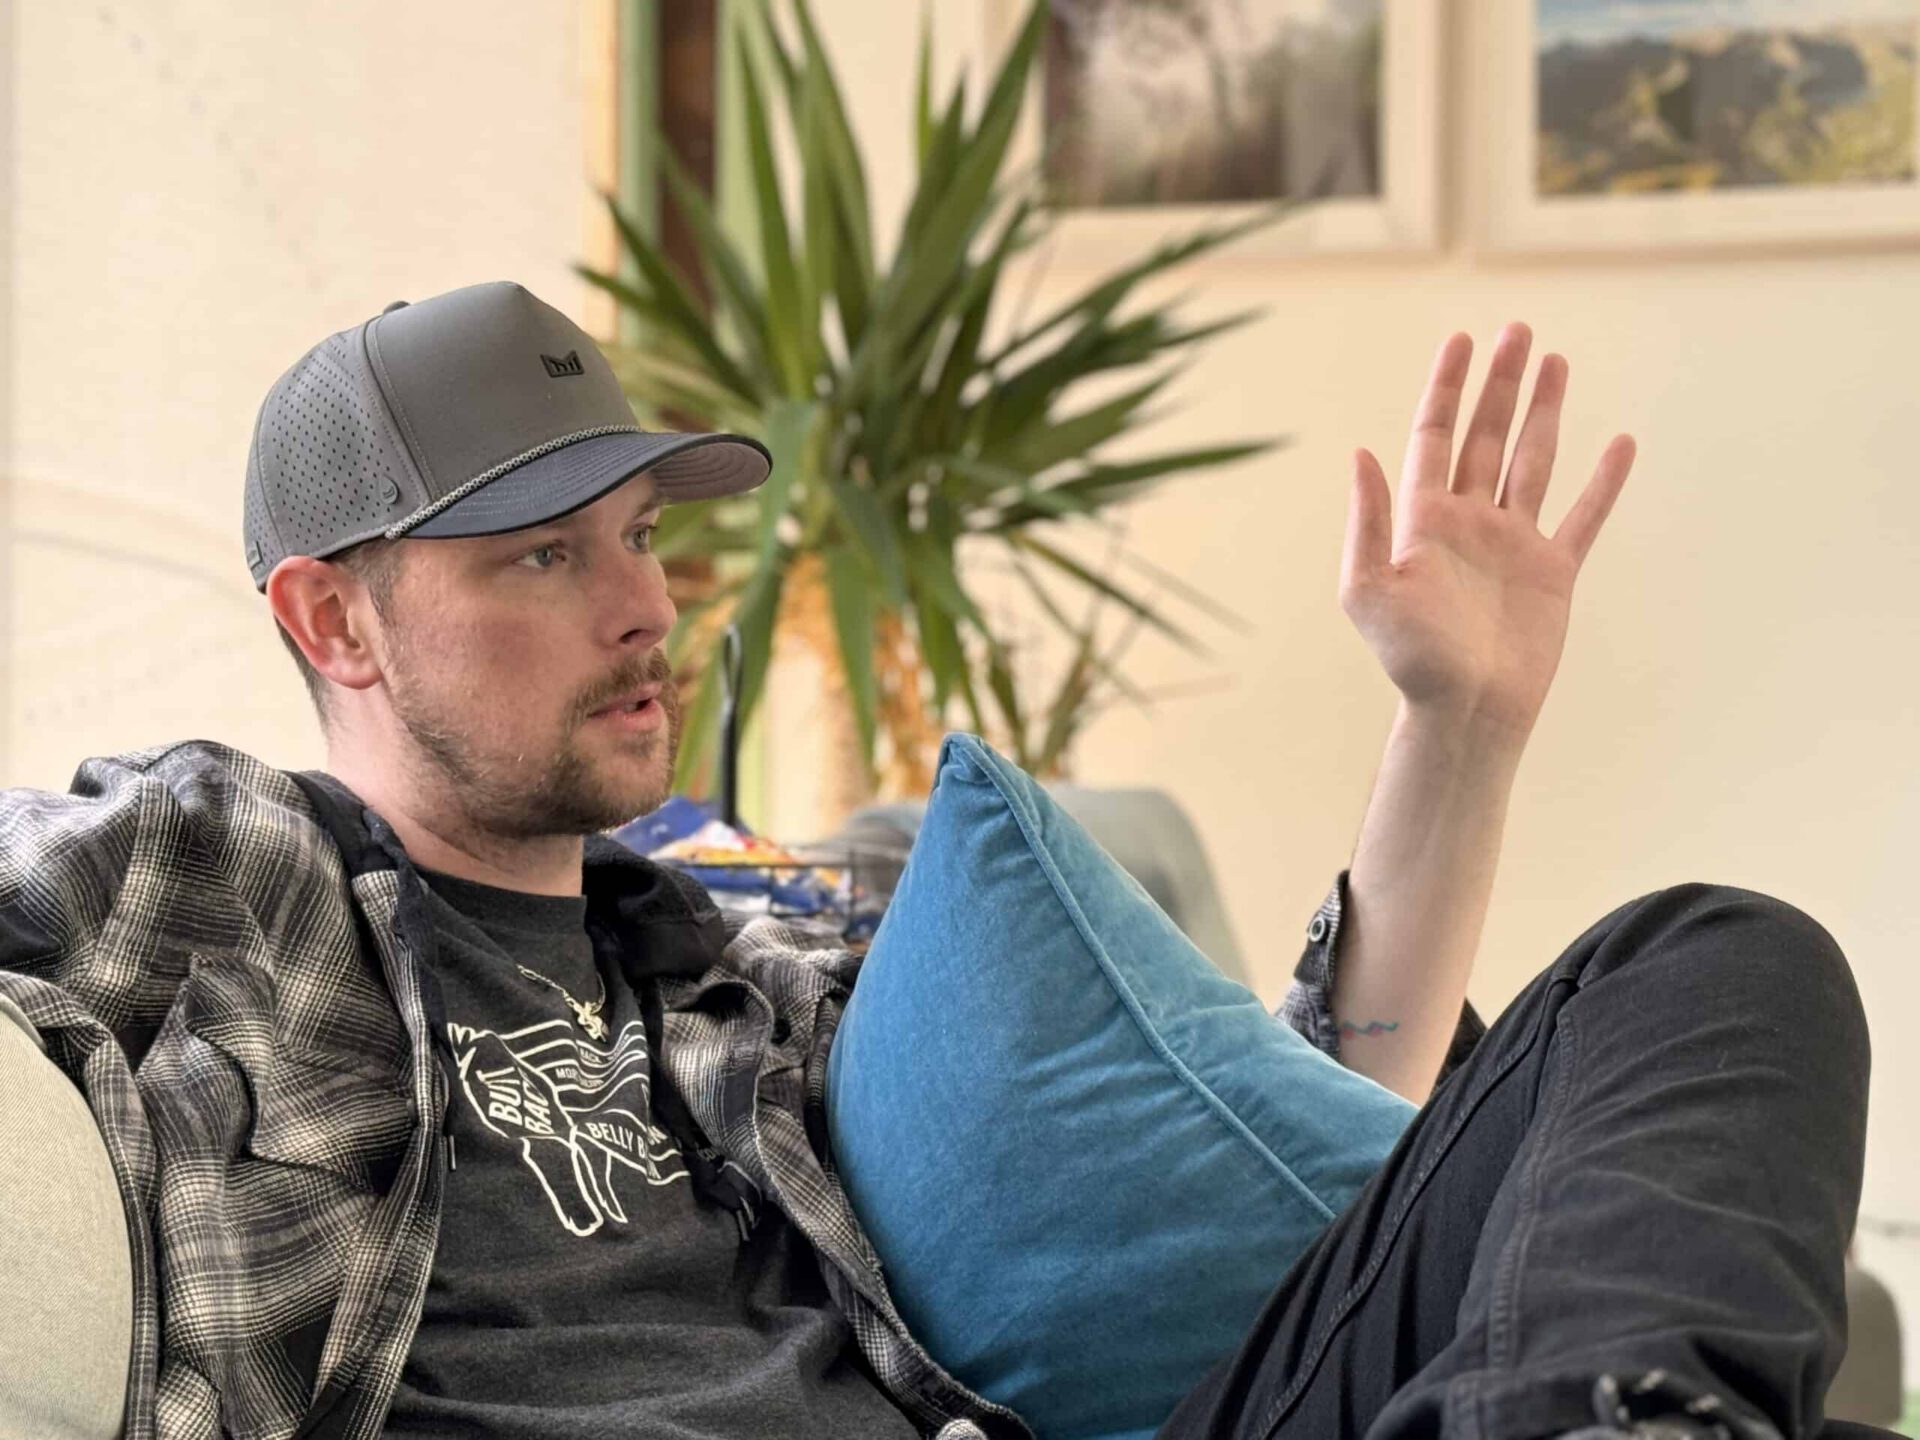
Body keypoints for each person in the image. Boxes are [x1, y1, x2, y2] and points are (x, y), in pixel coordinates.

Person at [0, 280, 1879, 1440]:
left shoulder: (758, 971)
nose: (648, 606)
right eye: (546, 556)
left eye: (644, 535)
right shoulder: (223, 862)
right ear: (333, 623)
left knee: (1711, 957)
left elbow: (1294, 1166)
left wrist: (1459, 729)